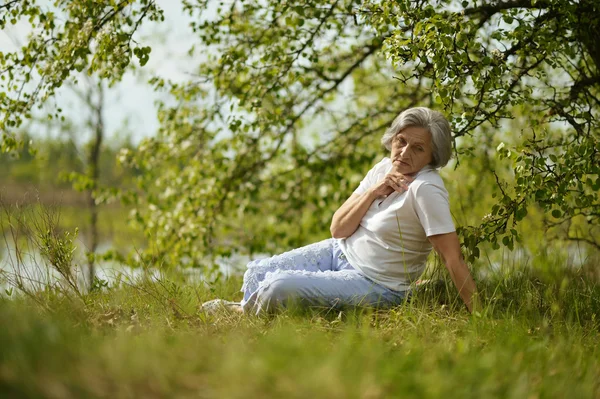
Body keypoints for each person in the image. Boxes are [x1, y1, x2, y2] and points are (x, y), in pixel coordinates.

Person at [202, 107, 477, 315]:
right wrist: (374, 191)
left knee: (277, 287)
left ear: (433, 156)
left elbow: (452, 258)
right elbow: (338, 229)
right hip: (339, 251)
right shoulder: (383, 169)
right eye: (401, 141)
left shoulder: (426, 189)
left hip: (376, 283)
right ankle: (248, 311)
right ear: (392, 138)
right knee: (257, 274)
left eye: (418, 148)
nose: (404, 153)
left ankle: (240, 314)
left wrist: (480, 314)